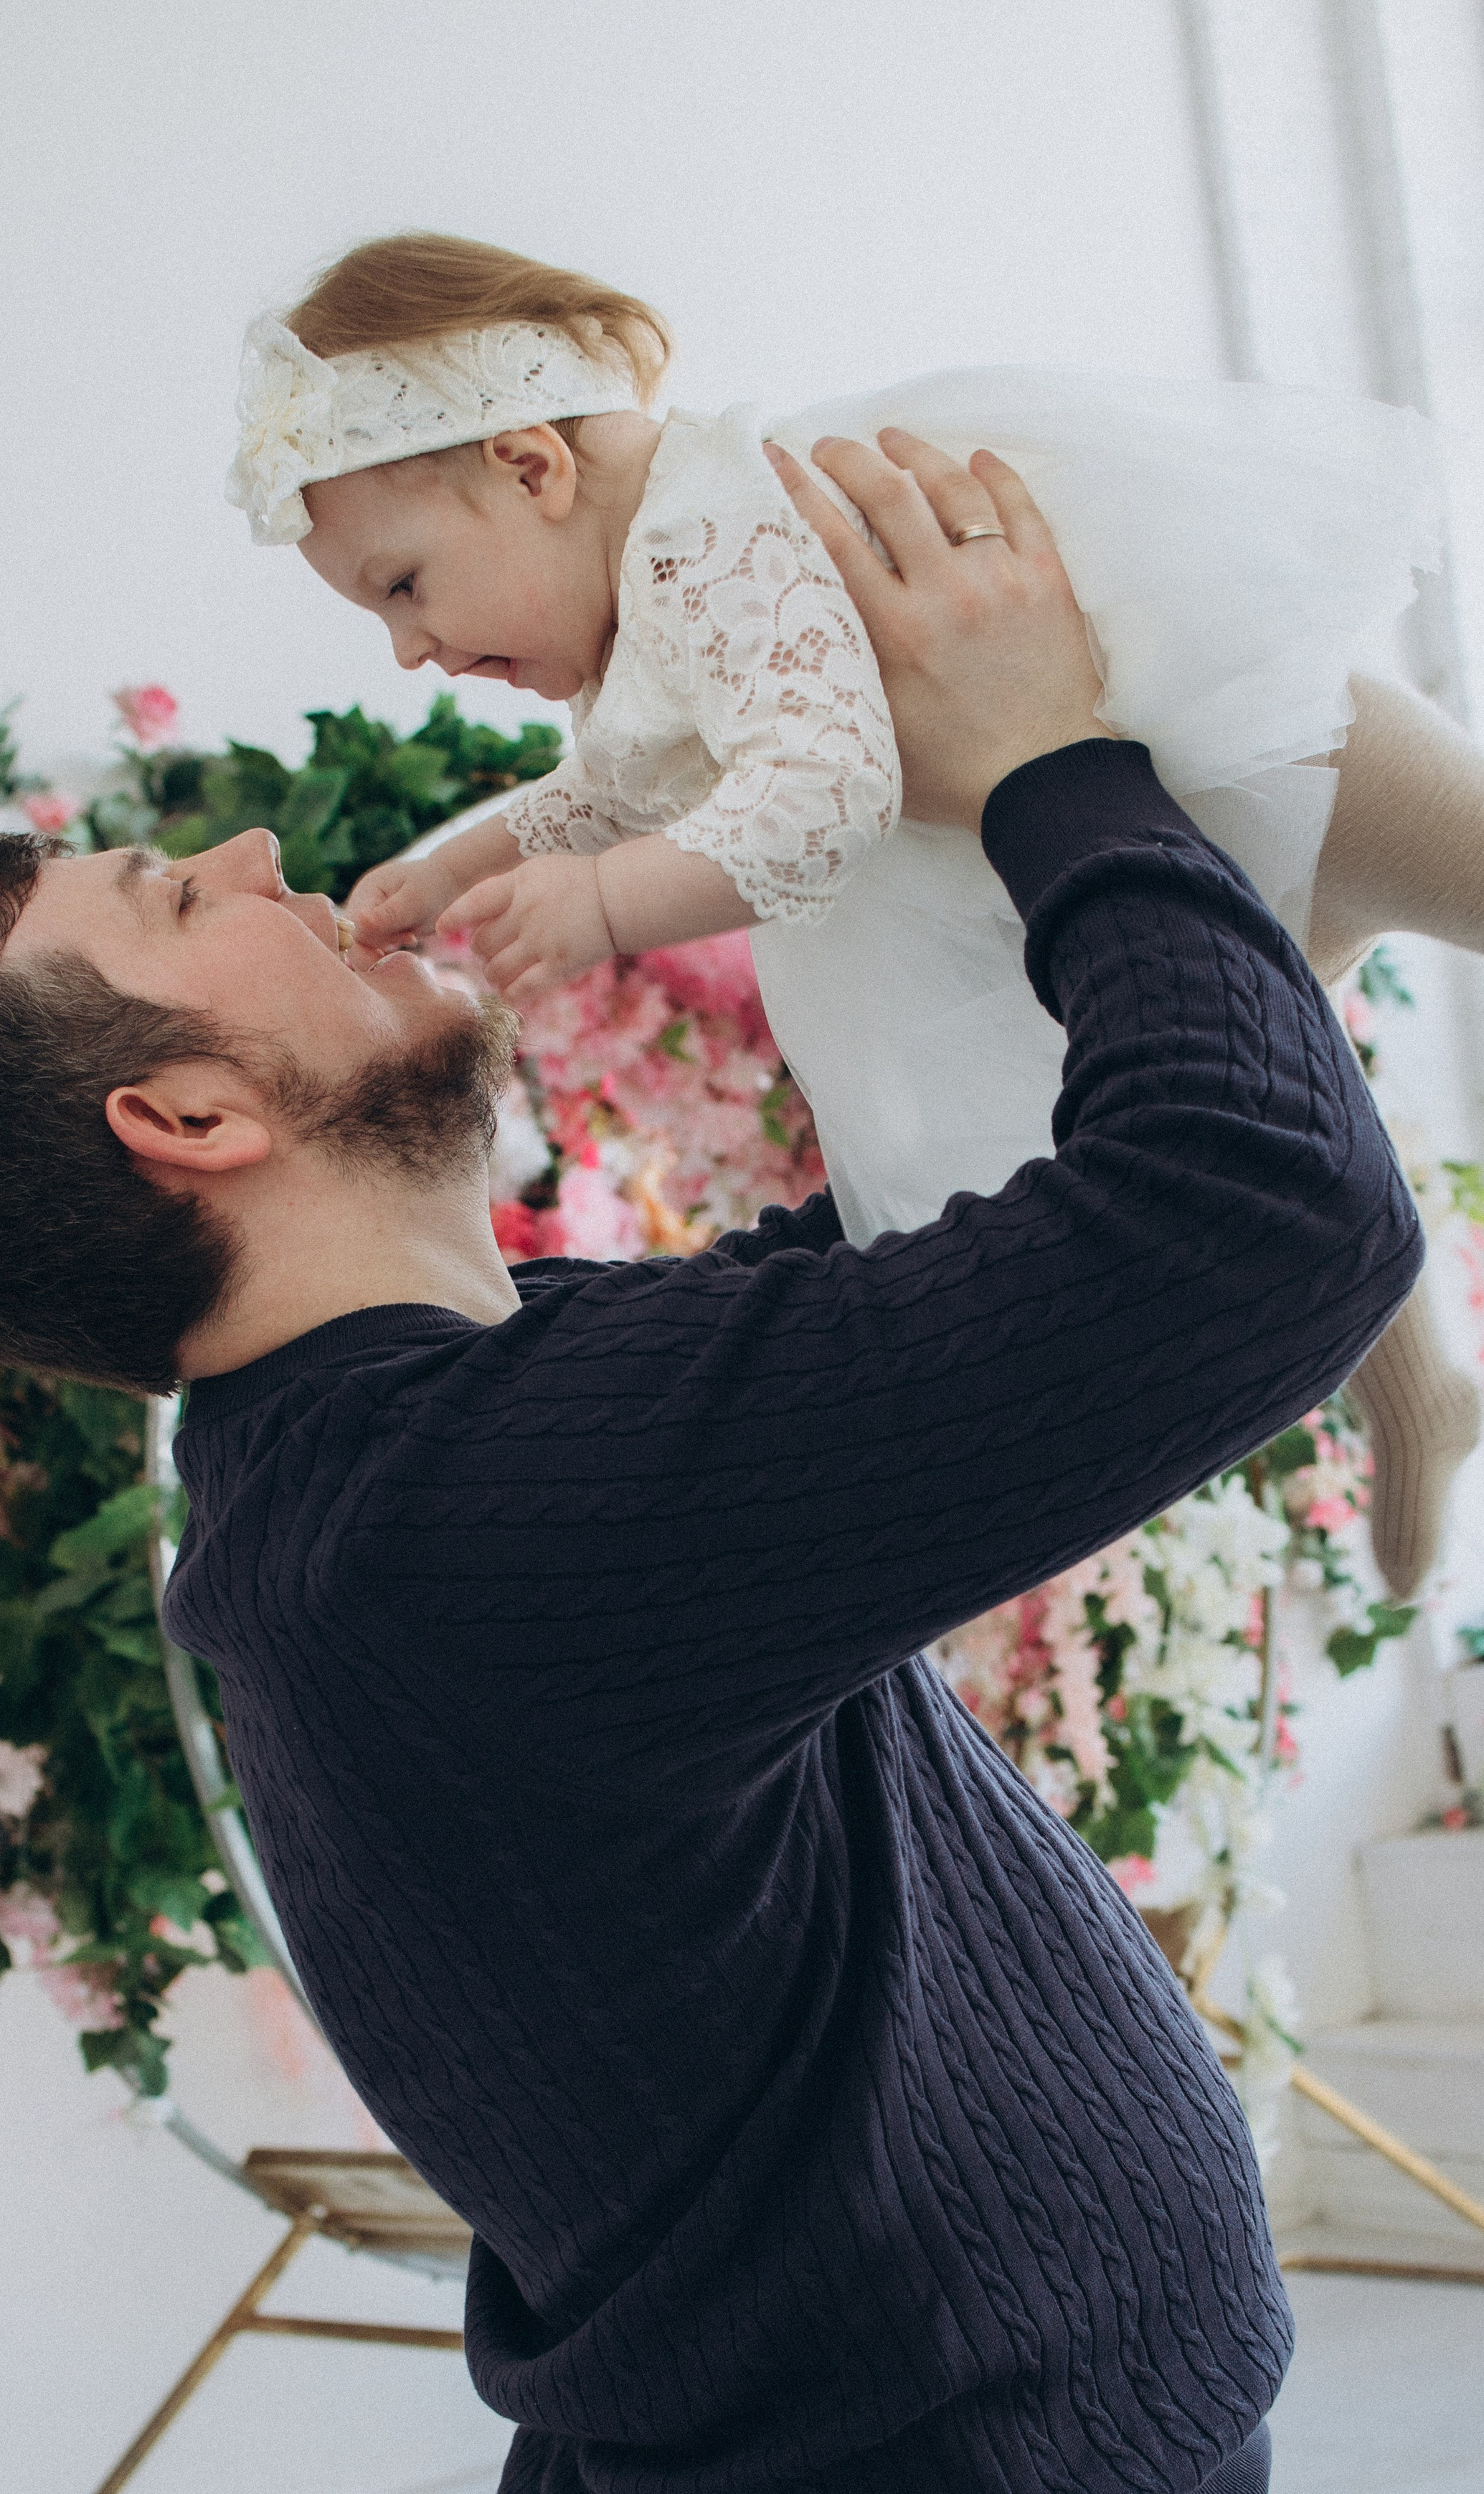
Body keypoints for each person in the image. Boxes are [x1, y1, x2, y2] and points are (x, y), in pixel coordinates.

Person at [0, 428, 1418, 2493]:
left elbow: (983, 1216)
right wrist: (1049, 767)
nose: (274, 860)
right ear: (189, 1116)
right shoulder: (462, 1519)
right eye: (187, 899)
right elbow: (1268, 1224)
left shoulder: (445, 1428)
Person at [227, 231, 1484, 1594]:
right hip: (1125, 828)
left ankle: (1415, 1385)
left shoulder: (708, 541)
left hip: (1247, 756)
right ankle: (1418, 1394)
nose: (410, 649)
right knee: (1270, 1082)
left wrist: (601, 904)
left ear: (532, 466)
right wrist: (450, 868)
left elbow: (825, 787)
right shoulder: (640, 608)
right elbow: (608, 785)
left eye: (403, 585)